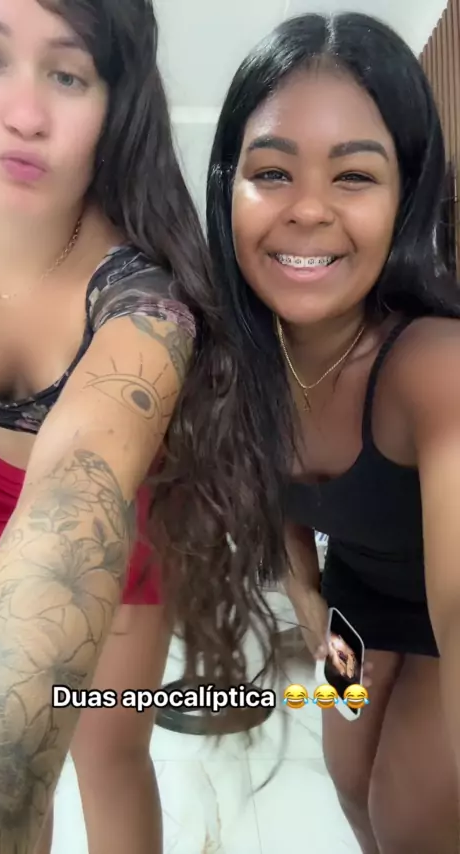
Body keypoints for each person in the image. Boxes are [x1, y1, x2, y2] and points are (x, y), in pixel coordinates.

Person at [152, 12, 460, 853]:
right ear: (229, 188)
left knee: (409, 817)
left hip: (437, 625)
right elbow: (277, 491)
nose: (310, 210)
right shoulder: (239, 359)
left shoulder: (434, 366)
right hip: (355, 609)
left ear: (406, 195)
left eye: (354, 176)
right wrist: (309, 601)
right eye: (273, 172)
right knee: (353, 785)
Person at [0, 1, 212, 852]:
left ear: (117, 105)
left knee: (105, 753)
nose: (25, 112)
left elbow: (87, 470)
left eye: (67, 74)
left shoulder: (143, 298)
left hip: (115, 525)